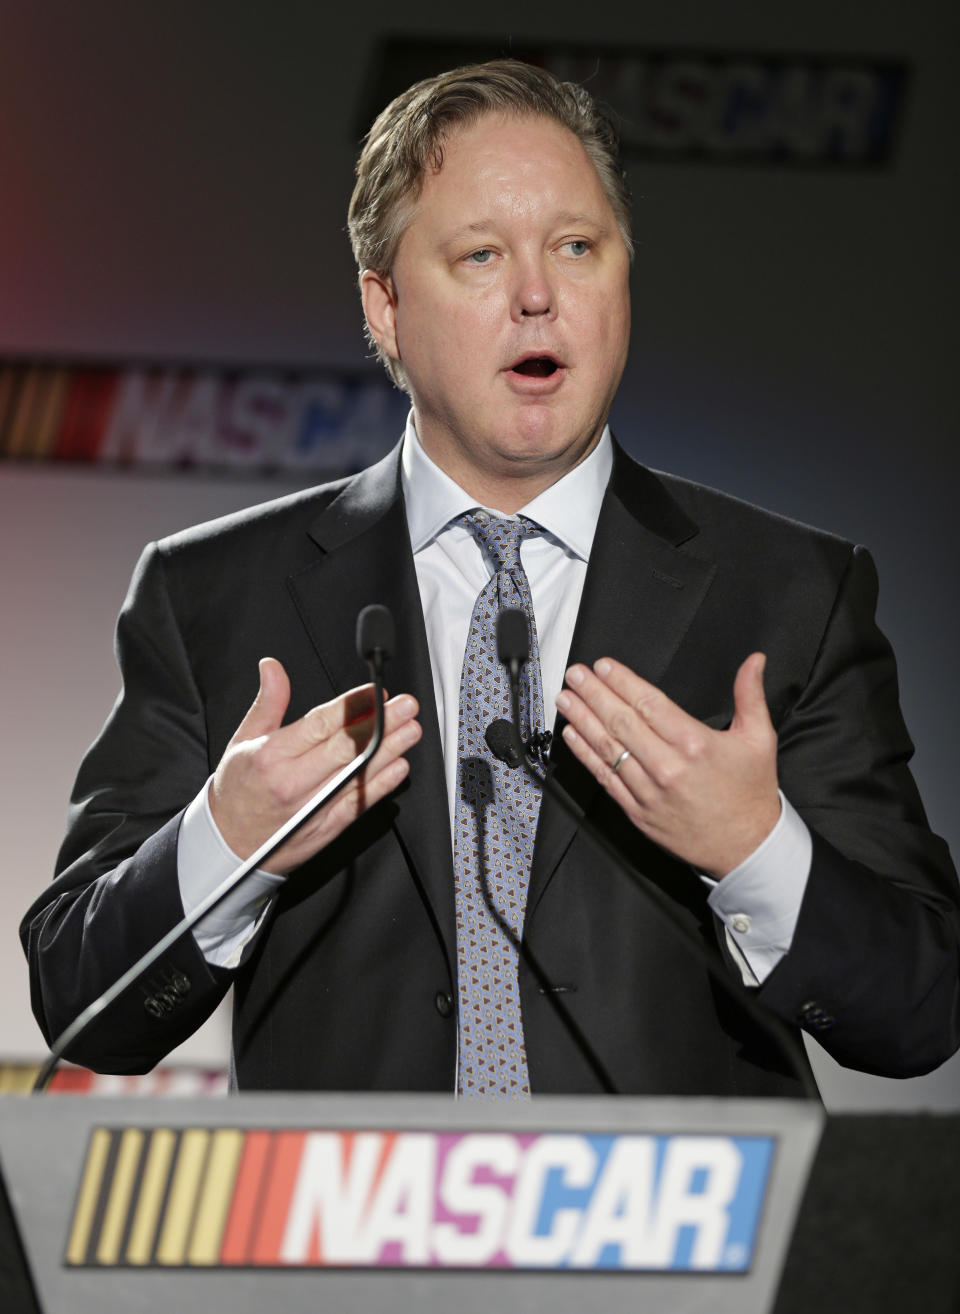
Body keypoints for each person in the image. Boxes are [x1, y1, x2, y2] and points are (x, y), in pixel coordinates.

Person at [21, 60, 960, 1097]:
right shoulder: (211, 595)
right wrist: (228, 841)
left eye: (577, 247)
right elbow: (82, 1006)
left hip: (673, 1245)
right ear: (383, 308)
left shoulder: (790, 594)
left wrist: (754, 847)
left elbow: (919, 1010)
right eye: (479, 255)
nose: (537, 296)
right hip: (354, 1243)